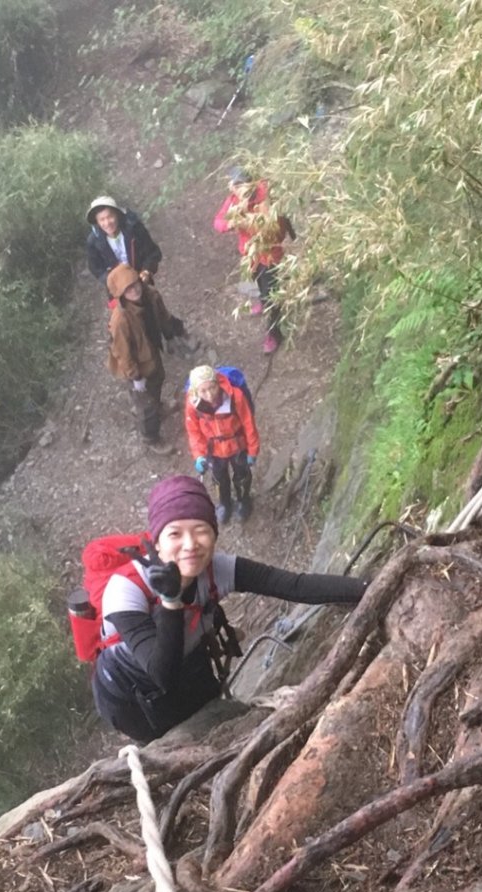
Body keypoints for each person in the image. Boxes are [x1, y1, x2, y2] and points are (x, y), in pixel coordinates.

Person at [91, 475, 367, 742]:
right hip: (133, 693)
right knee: (173, 747)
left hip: (188, 661)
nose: (190, 545)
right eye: (175, 533)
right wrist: (170, 600)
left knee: (220, 720)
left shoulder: (216, 569)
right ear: (157, 542)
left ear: (215, 535)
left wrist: (367, 588)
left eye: (201, 531)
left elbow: (294, 585)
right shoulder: (126, 589)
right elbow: (162, 675)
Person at [213, 168, 296, 354]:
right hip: (251, 255)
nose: (239, 188)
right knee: (259, 282)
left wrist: (247, 220)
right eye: (235, 185)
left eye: (242, 184)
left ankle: (274, 333)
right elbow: (218, 222)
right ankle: (262, 299)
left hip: (269, 254)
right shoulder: (233, 201)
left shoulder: (263, 195)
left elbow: (269, 228)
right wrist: (232, 222)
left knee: (271, 296)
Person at [106, 264, 180, 456]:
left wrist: (170, 336)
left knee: (157, 380)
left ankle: (159, 406)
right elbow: (122, 353)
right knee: (145, 406)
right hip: (135, 365)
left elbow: (163, 317)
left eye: (135, 284)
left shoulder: (151, 296)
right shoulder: (120, 320)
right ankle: (151, 437)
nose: (134, 290)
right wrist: (135, 377)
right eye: (128, 289)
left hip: (151, 352)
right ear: (121, 294)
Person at [185, 365, 259, 524]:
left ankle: (243, 501)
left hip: (237, 445)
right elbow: (194, 431)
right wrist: (199, 456)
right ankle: (224, 503)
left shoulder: (235, 397)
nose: (209, 394)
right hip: (214, 450)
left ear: (218, 383)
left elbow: (248, 423)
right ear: (196, 391)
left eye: (212, 387)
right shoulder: (192, 404)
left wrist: (252, 450)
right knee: (219, 478)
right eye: (203, 391)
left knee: (242, 475)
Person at [86, 195, 162, 289]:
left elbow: (153, 253)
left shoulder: (134, 229)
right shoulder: (94, 242)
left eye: (110, 217)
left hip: (140, 280)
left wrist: (146, 270)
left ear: (117, 215)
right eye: (102, 219)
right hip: (117, 287)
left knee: (153, 300)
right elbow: (96, 268)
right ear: (97, 222)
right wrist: (111, 280)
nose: (107, 223)